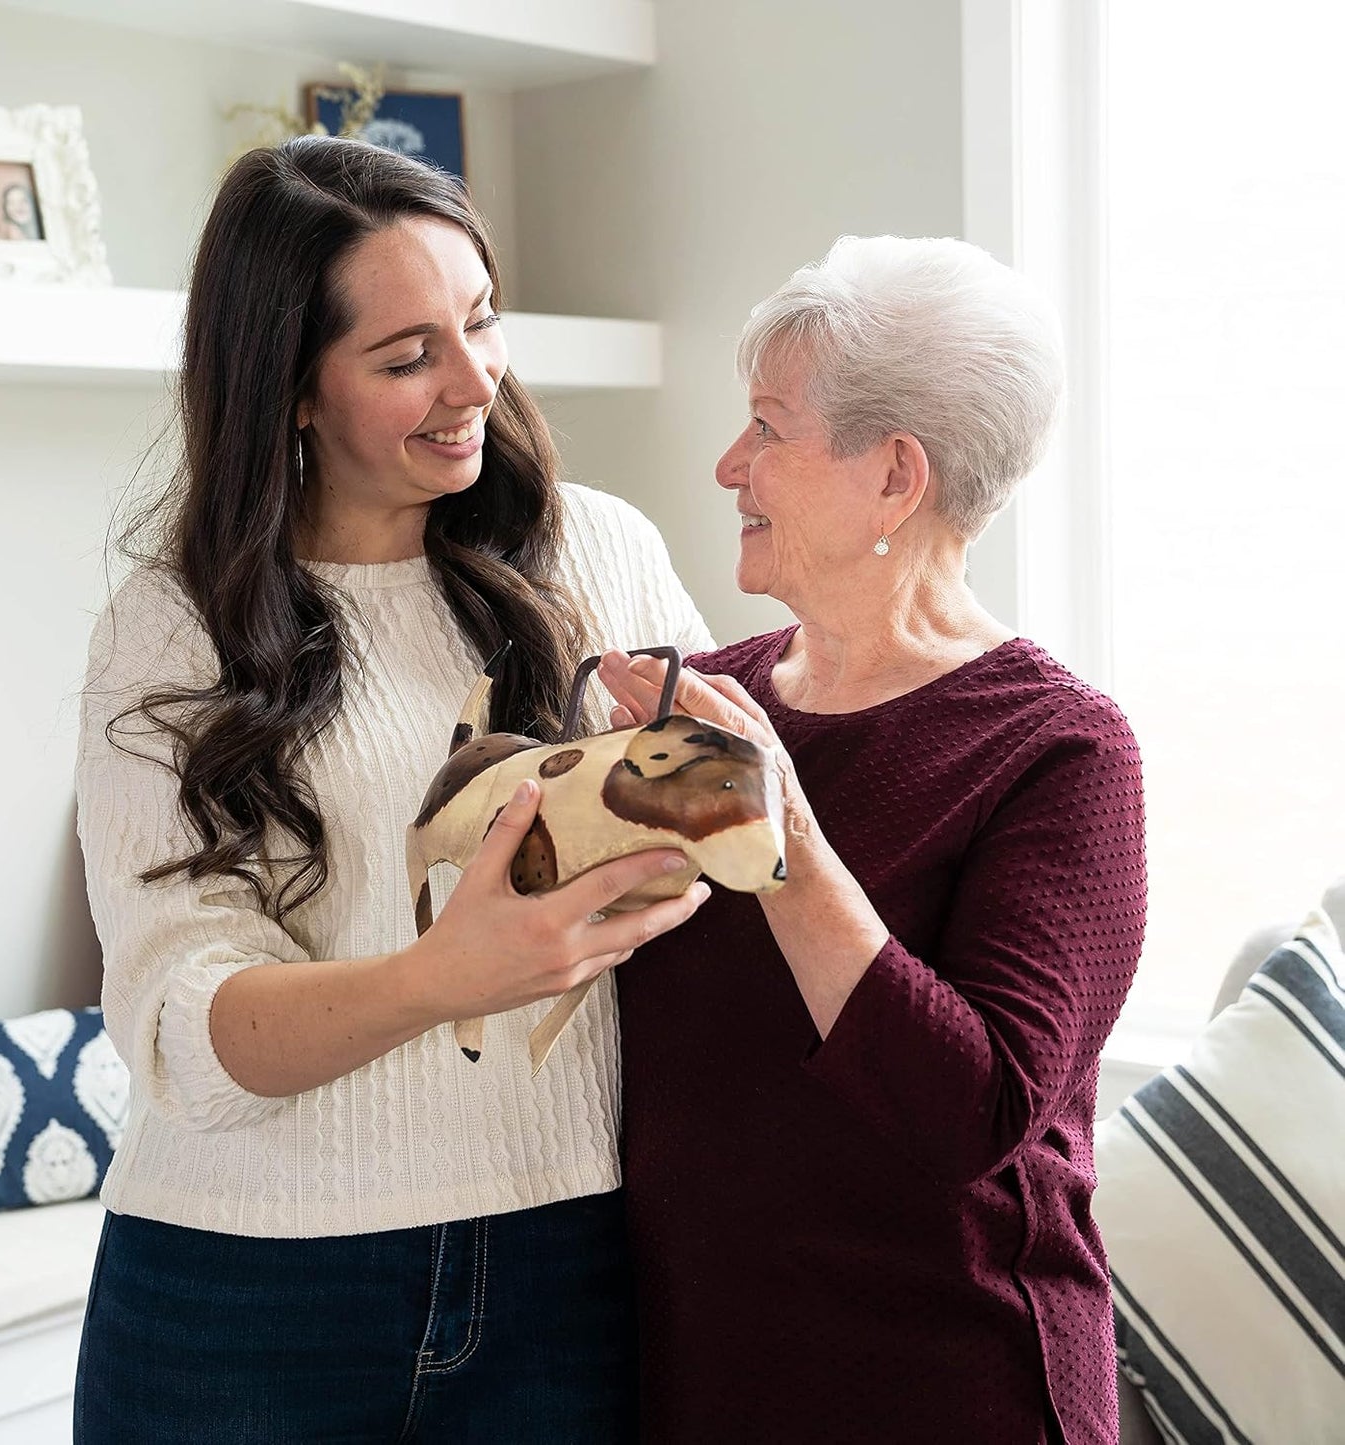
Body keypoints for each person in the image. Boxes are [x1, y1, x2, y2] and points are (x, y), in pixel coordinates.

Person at [72, 135, 712, 1443]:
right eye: (406, 355)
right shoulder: (173, 625)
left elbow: (721, 829)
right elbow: (177, 1025)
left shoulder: (603, 552)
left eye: (480, 322)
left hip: (564, 1258)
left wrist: (699, 808)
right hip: (243, 1285)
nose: (475, 381)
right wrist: (440, 976)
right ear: (290, 387)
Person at [602, 235, 1148, 1445]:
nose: (726, 464)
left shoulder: (1062, 751)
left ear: (894, 477)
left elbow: (973, 1110)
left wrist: (776, 827)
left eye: (767, 428)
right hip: (698, 1376)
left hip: (951, 1387)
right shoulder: (714, 700)